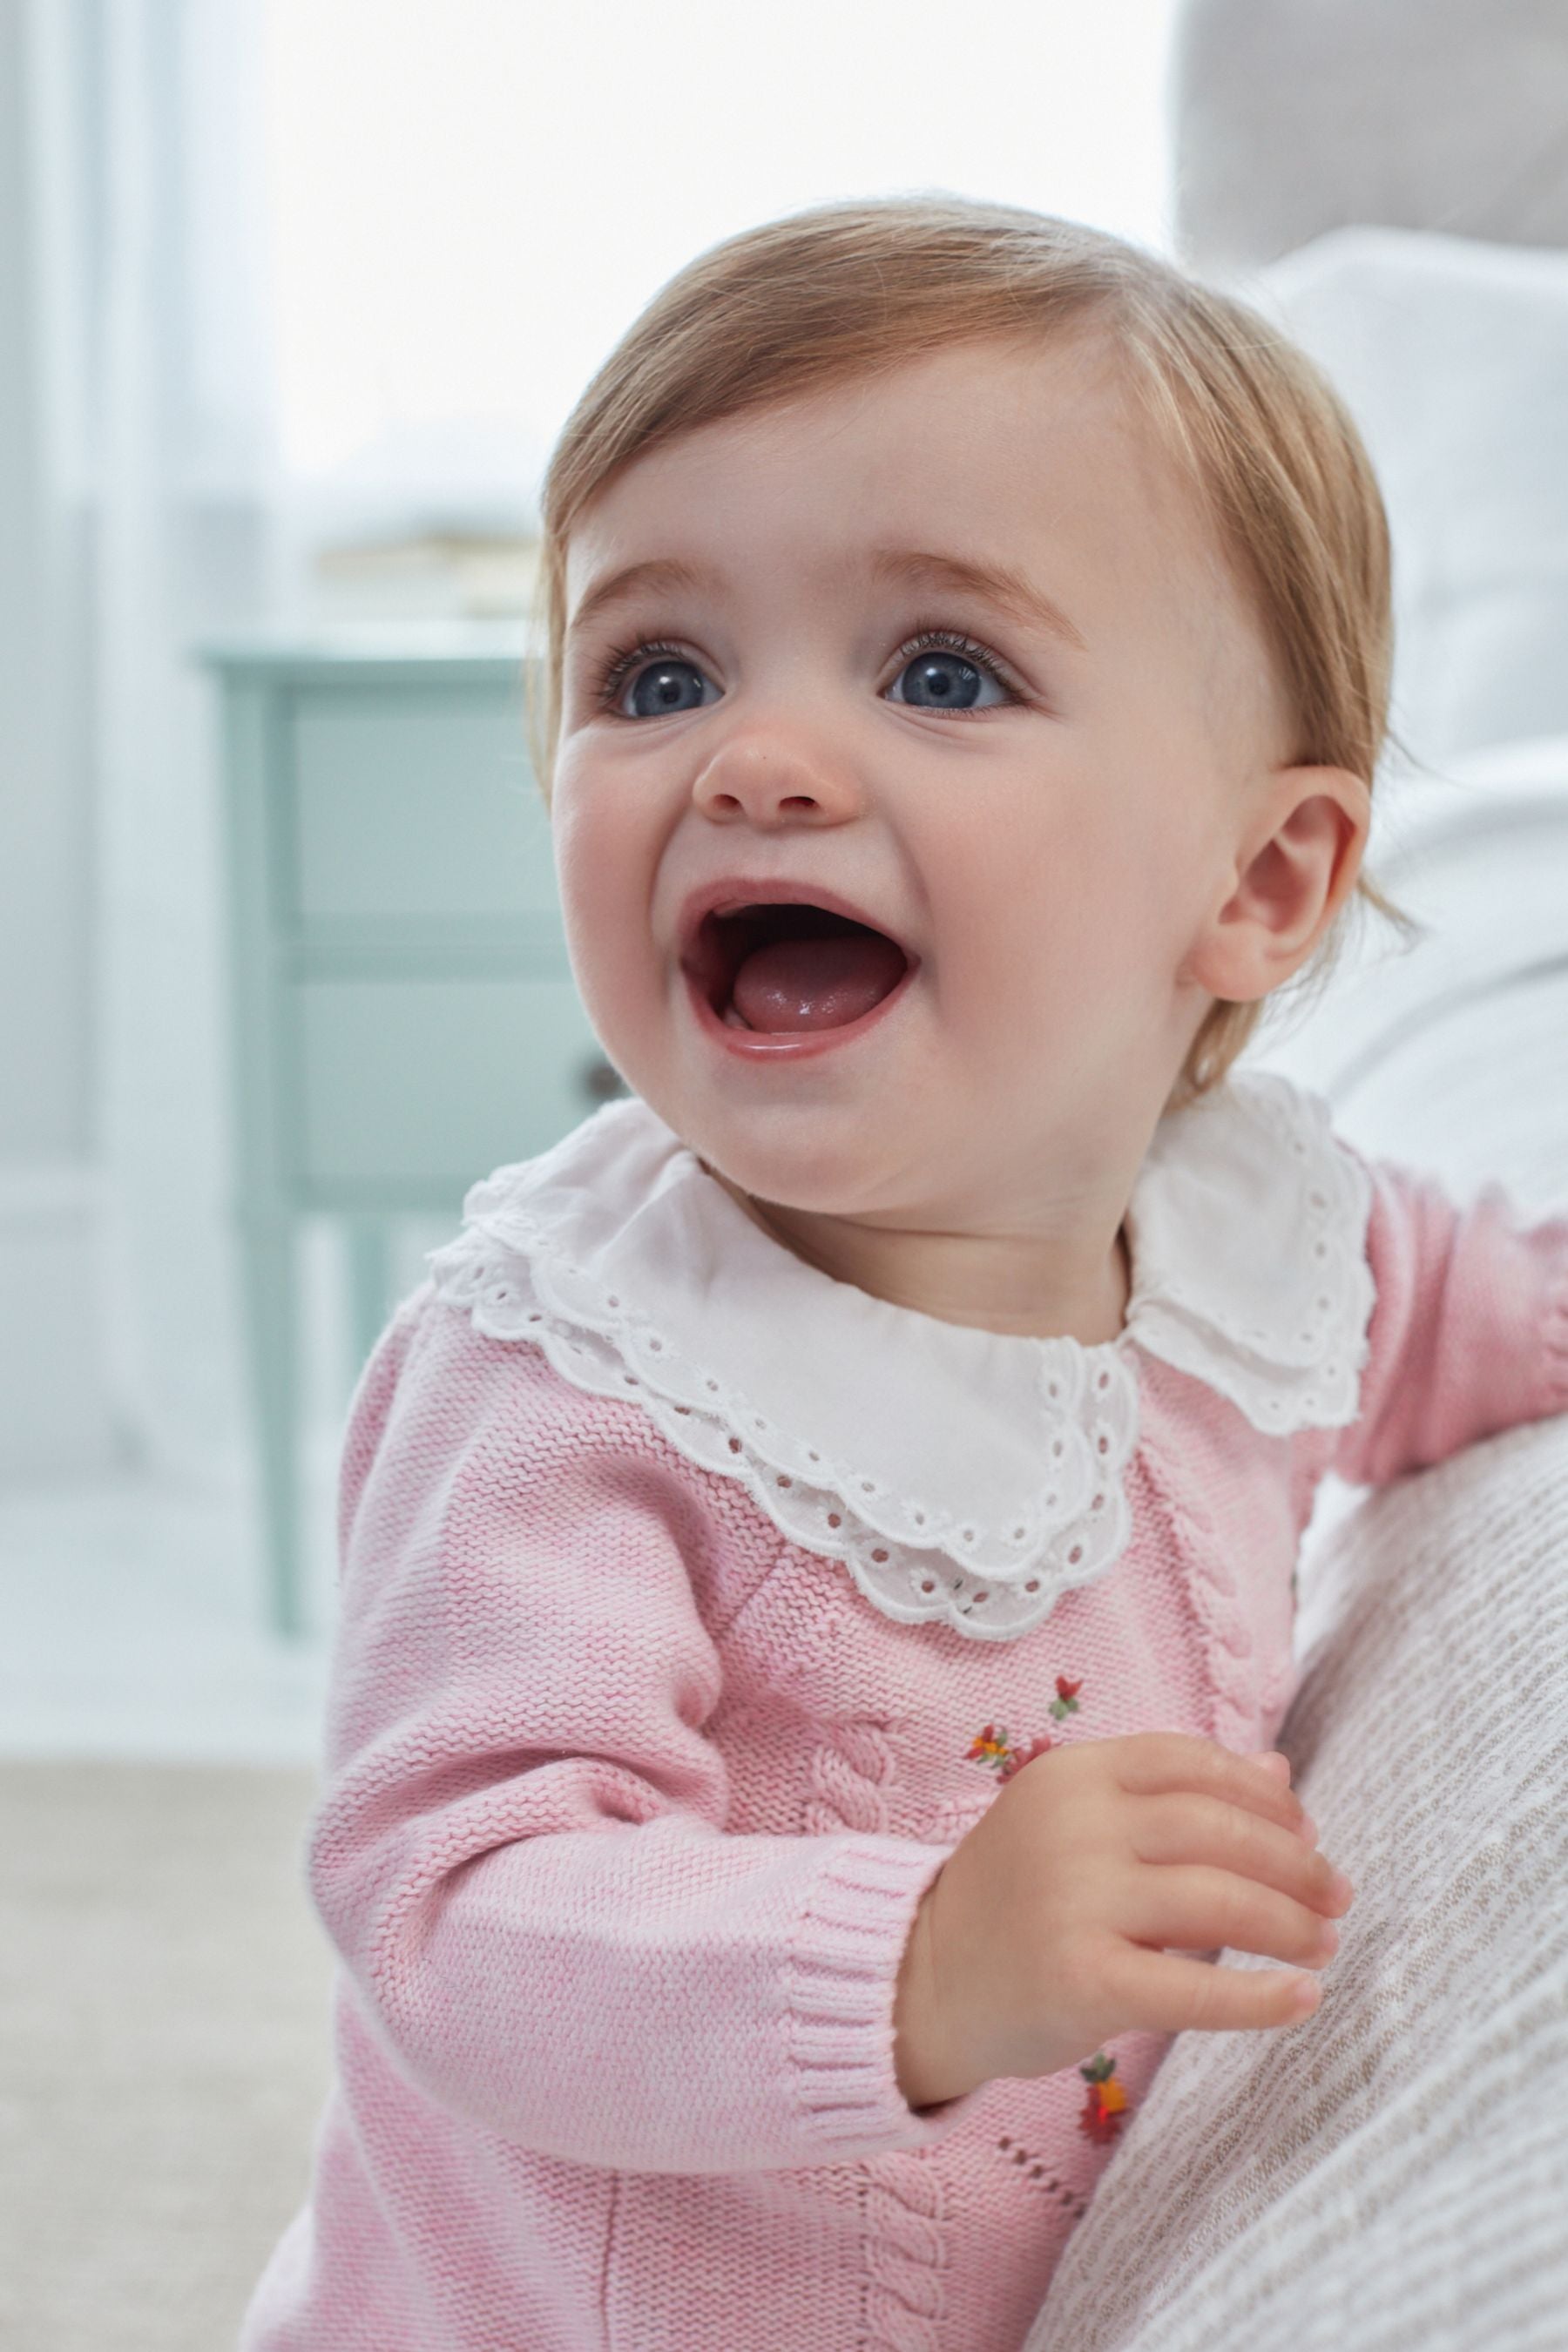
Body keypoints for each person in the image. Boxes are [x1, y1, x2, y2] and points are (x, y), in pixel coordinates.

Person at [240, 195, 1568, 2351]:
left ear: (1259, 879)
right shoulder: (570, 1378)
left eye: (942, 670)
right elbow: (453, 1913)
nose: (751, 757)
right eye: (653, 673)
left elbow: (1472, 1315)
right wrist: (928, 1957)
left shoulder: (1248, 1234)